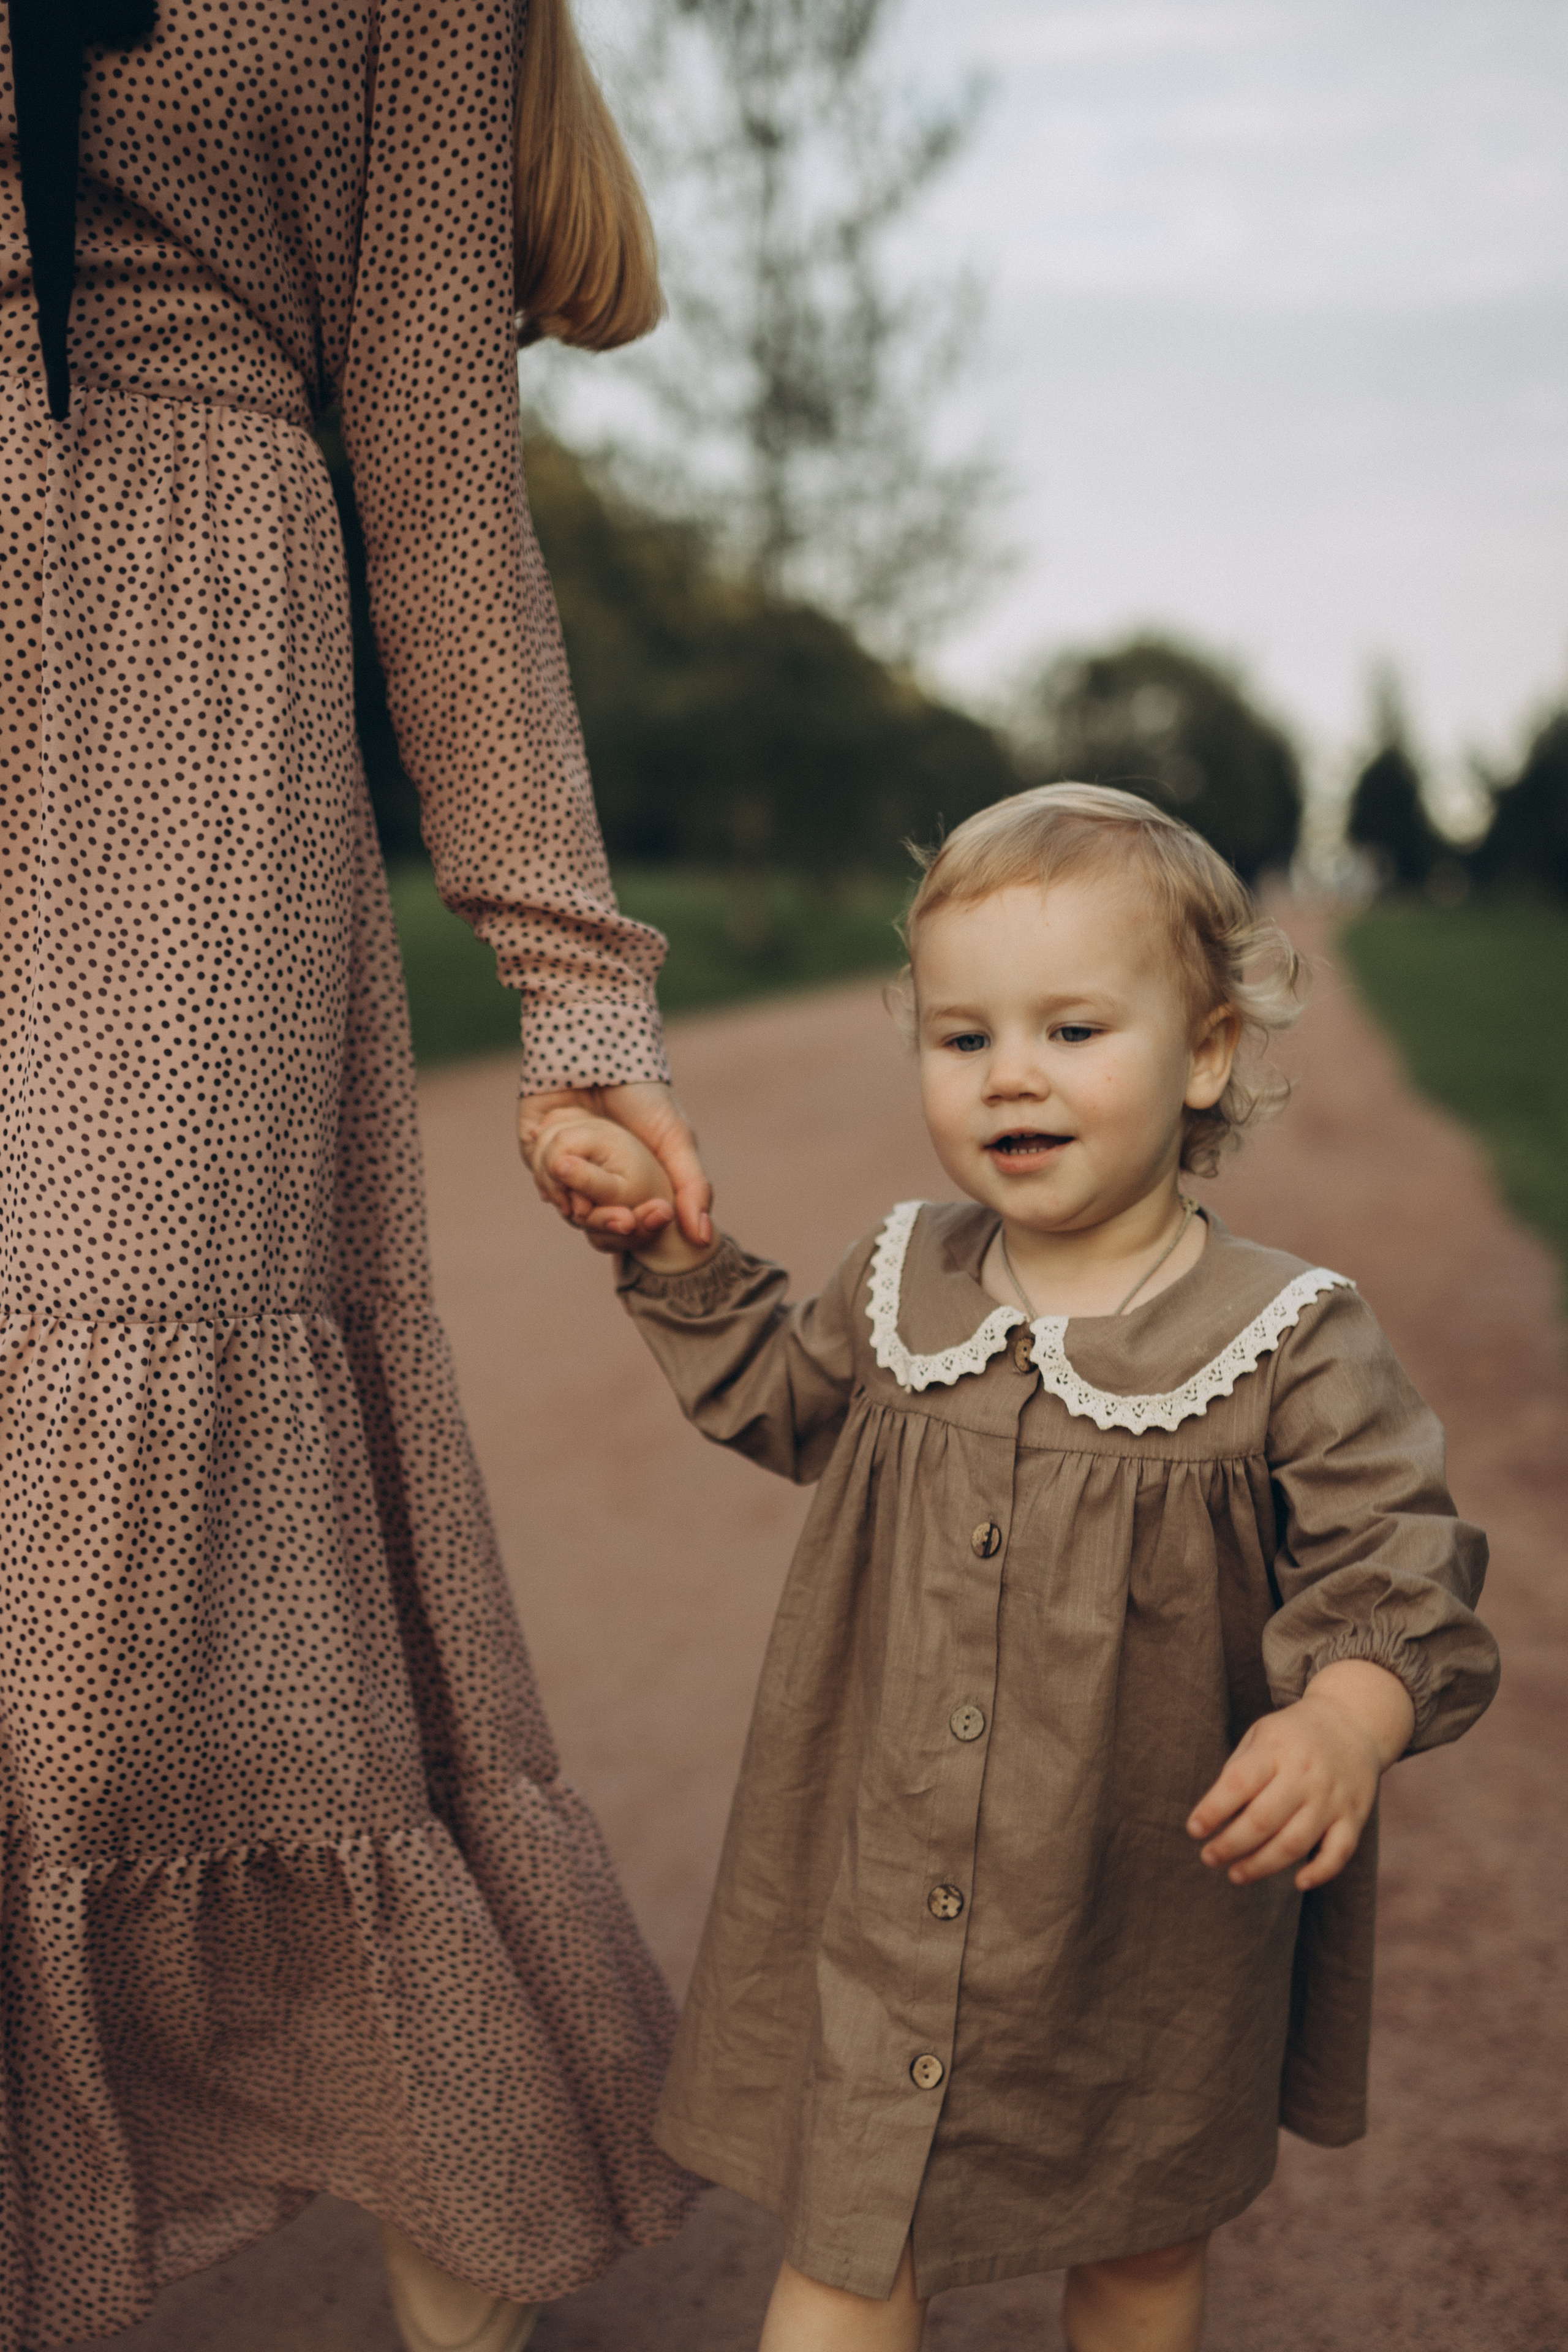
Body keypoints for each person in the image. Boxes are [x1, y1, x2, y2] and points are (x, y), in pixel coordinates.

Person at [1, 0, 710, 2346]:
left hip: (182, 653)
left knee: (108, 1616)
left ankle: (452, 2187)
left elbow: (431, 456)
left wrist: (577, 995)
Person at [534, 783, 1500, 2352]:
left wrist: (1342, 1720)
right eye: (962, 1037)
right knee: (851, 2236)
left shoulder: (1290, 1335)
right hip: (878, 1876)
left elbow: (1395, 1555)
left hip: (1138, 1914)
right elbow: (779, 1403)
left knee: (1130, 2245)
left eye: (1069, 1030)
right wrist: (666, 1246)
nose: (1008, 1078)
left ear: (1201, 1052)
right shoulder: (905, 1273)